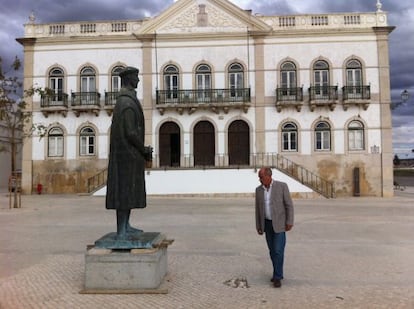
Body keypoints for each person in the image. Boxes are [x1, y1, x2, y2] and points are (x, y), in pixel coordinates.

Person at [106, 66, 152, 240]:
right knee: (123, 192)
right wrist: (144, 149)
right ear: (129, 79)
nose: (138, 80)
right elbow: (131, 132)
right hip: (126, 156)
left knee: (129, 191)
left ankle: (126, 226)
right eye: (136, 77)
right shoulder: (125, 102)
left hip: (130, 156)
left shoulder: (128, 100)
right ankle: (121, 231)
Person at [255, 167, 294, 288]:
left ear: (268, 176)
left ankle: (277, 276)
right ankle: (277, 272)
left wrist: (289, 221)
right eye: (259, 177)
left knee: (278, 250)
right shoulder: (258, 190)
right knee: (272, 251)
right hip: (267, 224)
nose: (260, 180)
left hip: (280, 224)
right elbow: (258, 209)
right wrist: (259, 226)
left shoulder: (282, 186)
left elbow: (289, 205)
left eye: (261, 177)